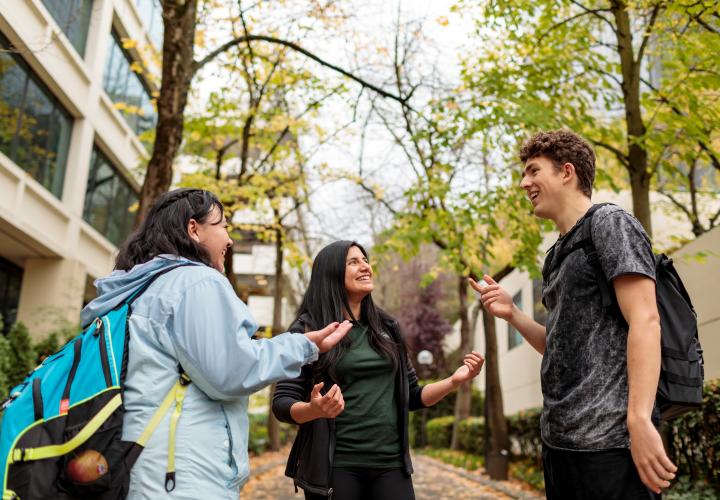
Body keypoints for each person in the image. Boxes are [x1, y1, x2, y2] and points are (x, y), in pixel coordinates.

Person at [80, 188, 351, 499]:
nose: (229, 240)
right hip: (183, 474)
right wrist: (303, 345)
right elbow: (231, 371)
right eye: (223, 226)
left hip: (141, 464)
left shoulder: (136, 290)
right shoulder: (195, 282)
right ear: (194, 229)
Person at [469, 130, 677, 499]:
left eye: (533, 171)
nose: (524, 183)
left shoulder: (610, 223)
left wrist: (639, 420)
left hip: (610, 443)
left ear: (567, 172)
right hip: (560, 444)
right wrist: (514, 314)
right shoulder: (555, 256)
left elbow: (645, 320)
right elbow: (560, 345)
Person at [272, 240, 484, 500]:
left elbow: (412, 395)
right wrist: (313, 410)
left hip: (391, 465)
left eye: (365, 260)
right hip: (336, 467)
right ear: (331, 273)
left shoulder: (387, 327)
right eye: (353, 262)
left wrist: (453, 381)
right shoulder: (308, 330)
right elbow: (282, 403)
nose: (365, 267)